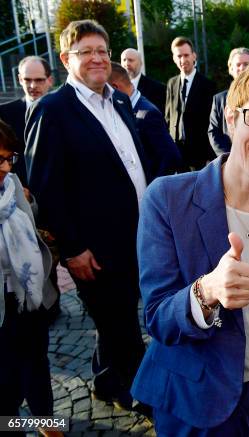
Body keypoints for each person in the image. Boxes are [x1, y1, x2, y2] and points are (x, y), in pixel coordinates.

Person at [131, 55, 249, 437]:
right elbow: (157, 317)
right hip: (199, 404)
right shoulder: (167, 199)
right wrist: (207, 291)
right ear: (231, 118)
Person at [25, 19, 152, 411]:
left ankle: (104, 380)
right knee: (122, 325)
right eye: (86, 52)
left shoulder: (116, 100)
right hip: (93, 248)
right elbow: (44, 188)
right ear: (65, 59)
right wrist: (73, 248)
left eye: (102, 51)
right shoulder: (53, 109)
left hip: (133, 236)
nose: (97, 58)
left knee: (116, 316)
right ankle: (140, 394)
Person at [0, 120, 60, 437]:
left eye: (9, 158)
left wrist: (30, 202)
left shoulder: (11, 183)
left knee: (37, 364)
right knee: (6, 383)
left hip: (28, 296)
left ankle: (46, 422)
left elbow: (29, 219)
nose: (6, 166)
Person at [109, 62, 183, 176]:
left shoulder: (148, 114)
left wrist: (152, 189)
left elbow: (171, 156)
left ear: (115, 88)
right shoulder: (125, 109)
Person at [0, 56, 53, 185]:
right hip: (18, 191)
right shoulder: (4, 113)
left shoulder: (65, 111)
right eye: (27, 80)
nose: (33, 86)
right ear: (19, 79)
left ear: (50, 80)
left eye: (39, 80)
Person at [166, 37, 217, 170]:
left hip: (199, 156)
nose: (183, 60)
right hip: (176, 153)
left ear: (194, 56)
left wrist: (209, 157)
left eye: (186, 55)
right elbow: (168, 118)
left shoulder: (208, 86)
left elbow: (212, 123)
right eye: (179, 56)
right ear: (173, 58)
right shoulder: (172, 83)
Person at [208, 47, 249, 155]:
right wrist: (228, 157)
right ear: (231, 69)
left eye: (246, 64)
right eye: (238, 65)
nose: (242, 68)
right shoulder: (219, 99)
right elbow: (214, 132)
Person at [121, 48, 166, 113]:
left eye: (131, 60)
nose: (127, 63)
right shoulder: (114, 87)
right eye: (124, 60)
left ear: (140, 63)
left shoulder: (158, 88)